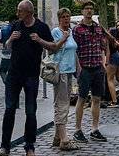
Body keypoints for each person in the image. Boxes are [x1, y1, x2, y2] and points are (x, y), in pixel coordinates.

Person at [0, 0, 54, 156]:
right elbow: (6, 47)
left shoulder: (41, 27)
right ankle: (4, 146)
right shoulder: (16, 25)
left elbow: (53, 47)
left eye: (20, 11)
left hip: (31, 75)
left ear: (29, 12)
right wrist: (10, 39)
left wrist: (40, 40)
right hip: (14, 74)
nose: (17, 13)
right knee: (9, 109)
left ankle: (30, 146)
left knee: (30, 111)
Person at [71, 0, 109, 143]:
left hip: (97, 67)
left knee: (97, 98)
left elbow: (102, 46)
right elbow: (74, 49)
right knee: (81, 98)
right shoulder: (77, 29)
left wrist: (103, 62)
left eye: (91, 8)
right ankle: (77, 129)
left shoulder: (98, 28)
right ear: (82, 11)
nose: (89, 11)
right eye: (86, 8)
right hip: (85, 68)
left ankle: (94, 129)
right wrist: (78, 68)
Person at [49, 8, 80, 151]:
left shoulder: (71, 31)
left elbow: (73, 51)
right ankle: (64, 140)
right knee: (61, 104)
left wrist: (78, 69)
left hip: (69, 71)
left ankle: (57, 137)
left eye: (68, 16)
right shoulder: (56, 32)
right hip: (59, 71)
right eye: (64, 17)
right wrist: (63, 38)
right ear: (59, 19)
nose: (66, 19)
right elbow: (52, 49)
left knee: (65, 103)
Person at [104, 21, 119, 108]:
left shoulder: (107, 39)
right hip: (118, 56)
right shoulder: (114, 39)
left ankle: (114, 101)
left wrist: (106, 62)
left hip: (112, 58)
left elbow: (108, 52)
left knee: (110, 79)